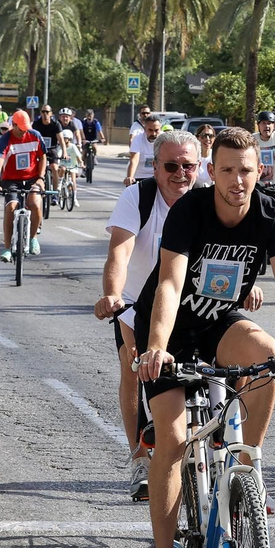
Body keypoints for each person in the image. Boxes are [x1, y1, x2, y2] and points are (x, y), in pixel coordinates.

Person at [134, 126, 275, 548]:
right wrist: (155, 346)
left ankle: (246, 467)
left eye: (245, 170)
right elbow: (170, 283)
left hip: (219, 321)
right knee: (172, 441)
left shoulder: (270, 213)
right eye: (226, 170)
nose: (237, 180)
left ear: (259, 170)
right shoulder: (190, 211)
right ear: (211, 171)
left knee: (268, 355)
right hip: (169, 329)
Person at [94, 128, 202, 501]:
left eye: (188, 166)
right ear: (155, 167)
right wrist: (111, 294)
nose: (180, 174)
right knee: (134, 367)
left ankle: (222, 456)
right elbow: (119, 253)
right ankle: (140, 456)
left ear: (199, 167)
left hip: (191, 306)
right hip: (136, 306)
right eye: (171, 166)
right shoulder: (137, 197)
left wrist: (247, 286)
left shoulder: (208, 201)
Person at [0, 110, 47, 261]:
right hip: (11, 180)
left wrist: (41, 178)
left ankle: (33, 238)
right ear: (13, 125)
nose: (24, 132)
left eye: (26, 128)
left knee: (35, 203)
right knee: (11, 207)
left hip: (33, 178)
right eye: (21, 129)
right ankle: (7, 248)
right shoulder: (6, 139)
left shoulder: (35, 135)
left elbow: (42, 157)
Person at [124, 113, 162, 186]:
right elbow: (134, 160)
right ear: (144, 129)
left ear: (160, 129)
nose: (153, 134)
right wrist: (130, 177)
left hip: (156, 176)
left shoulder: (164, 139)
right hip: (139, 176)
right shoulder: (137, 139)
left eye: (156, 130)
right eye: (150, 130)